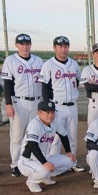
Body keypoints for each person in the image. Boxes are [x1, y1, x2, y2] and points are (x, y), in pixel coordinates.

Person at [38, 36, 85, 172]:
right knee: (56, 138)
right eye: (60, 46)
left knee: (72, 137)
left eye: (66, 46)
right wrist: (48, 107)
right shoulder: (48, 65)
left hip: (72, 105)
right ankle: (55, 165)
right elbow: (45, 86)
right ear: (54, 48)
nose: (63, 49)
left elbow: (77, 81)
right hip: (57, 106)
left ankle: (73, 163)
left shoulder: (73, 64)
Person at [1, 33, 44, 177]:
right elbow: (7, 84)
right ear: (16, 45)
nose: (24, 47)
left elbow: (44, 83)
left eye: (27, 44)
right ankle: (16, 164)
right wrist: (8, 104)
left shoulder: (38, 61)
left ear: (30, 45)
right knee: (17, 136)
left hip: (36, 101)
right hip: (18, 102)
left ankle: (32, 162)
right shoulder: (10, 60)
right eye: (21, 44)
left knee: (34, 133)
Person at [17, 101, 77, 193]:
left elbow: (63, 135)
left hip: (45, 158)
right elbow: (32, 145)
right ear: (39, 113)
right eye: (47, 112)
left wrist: (68, 151)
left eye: (52, 112)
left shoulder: (54, 122)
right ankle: (31, 182)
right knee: (45, 170)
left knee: (72, 161)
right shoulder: (34, 124)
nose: (50, 115)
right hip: (28, 161)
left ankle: (44, 177)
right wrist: (45, 163)